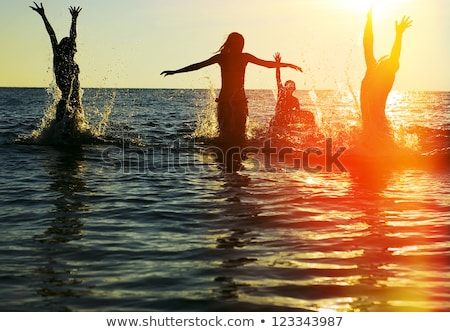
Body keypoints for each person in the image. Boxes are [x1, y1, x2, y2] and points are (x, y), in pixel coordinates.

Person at [161, 32, 302, 145]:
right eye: (240, 43)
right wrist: (288, 65)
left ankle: (226, 166)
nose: (241, 46)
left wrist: (287, 65)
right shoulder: (236, 57)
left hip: (228, 101)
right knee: (238, 137)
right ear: (237, 44)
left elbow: (198, 65)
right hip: (236, 101)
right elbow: (267, 64)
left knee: (225, 136)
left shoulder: (228, 58)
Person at [360, 6, 412, 147]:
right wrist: (369, 20)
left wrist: (399, 34)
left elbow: (395, 55)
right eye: (386, 59)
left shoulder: (387, 77)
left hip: (378, 123)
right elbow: (367, 44)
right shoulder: (372, 68)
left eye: (390, 62)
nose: (387, 61)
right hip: (369, 124)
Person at [30, 2, 83, 123]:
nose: (75, 49)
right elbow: (51, 34)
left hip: (75, 100)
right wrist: (43, 16)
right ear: (68, 47)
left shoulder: (68, 58)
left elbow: (72, 36)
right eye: (72, 46)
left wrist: (74, 19)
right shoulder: (59, 55)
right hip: (65, 100)